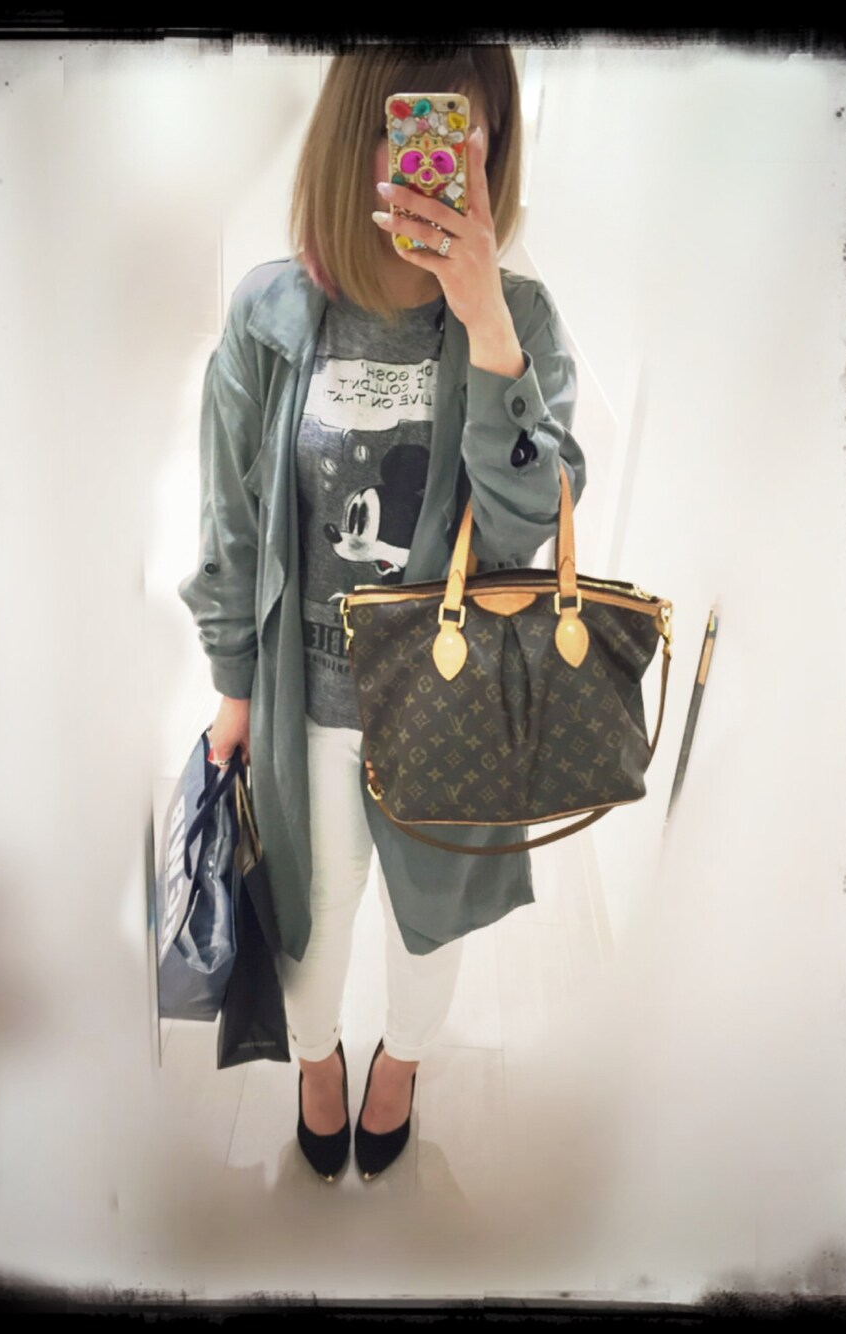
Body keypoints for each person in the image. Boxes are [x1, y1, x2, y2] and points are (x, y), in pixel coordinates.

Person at [178, 45, 586, 1183]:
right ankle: (318, 1059)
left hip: (449, 702)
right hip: (303, 697)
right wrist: (231, 689)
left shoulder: (521, 319)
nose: (425, 160)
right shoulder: (271, 311)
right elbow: (229, 519)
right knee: (305, 929)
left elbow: (530, 527)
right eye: (399, 124)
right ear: (349, 134)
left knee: (429, 926)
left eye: (460, 127)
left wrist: (487, 324)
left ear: (491, 144)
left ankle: (401, 1061)